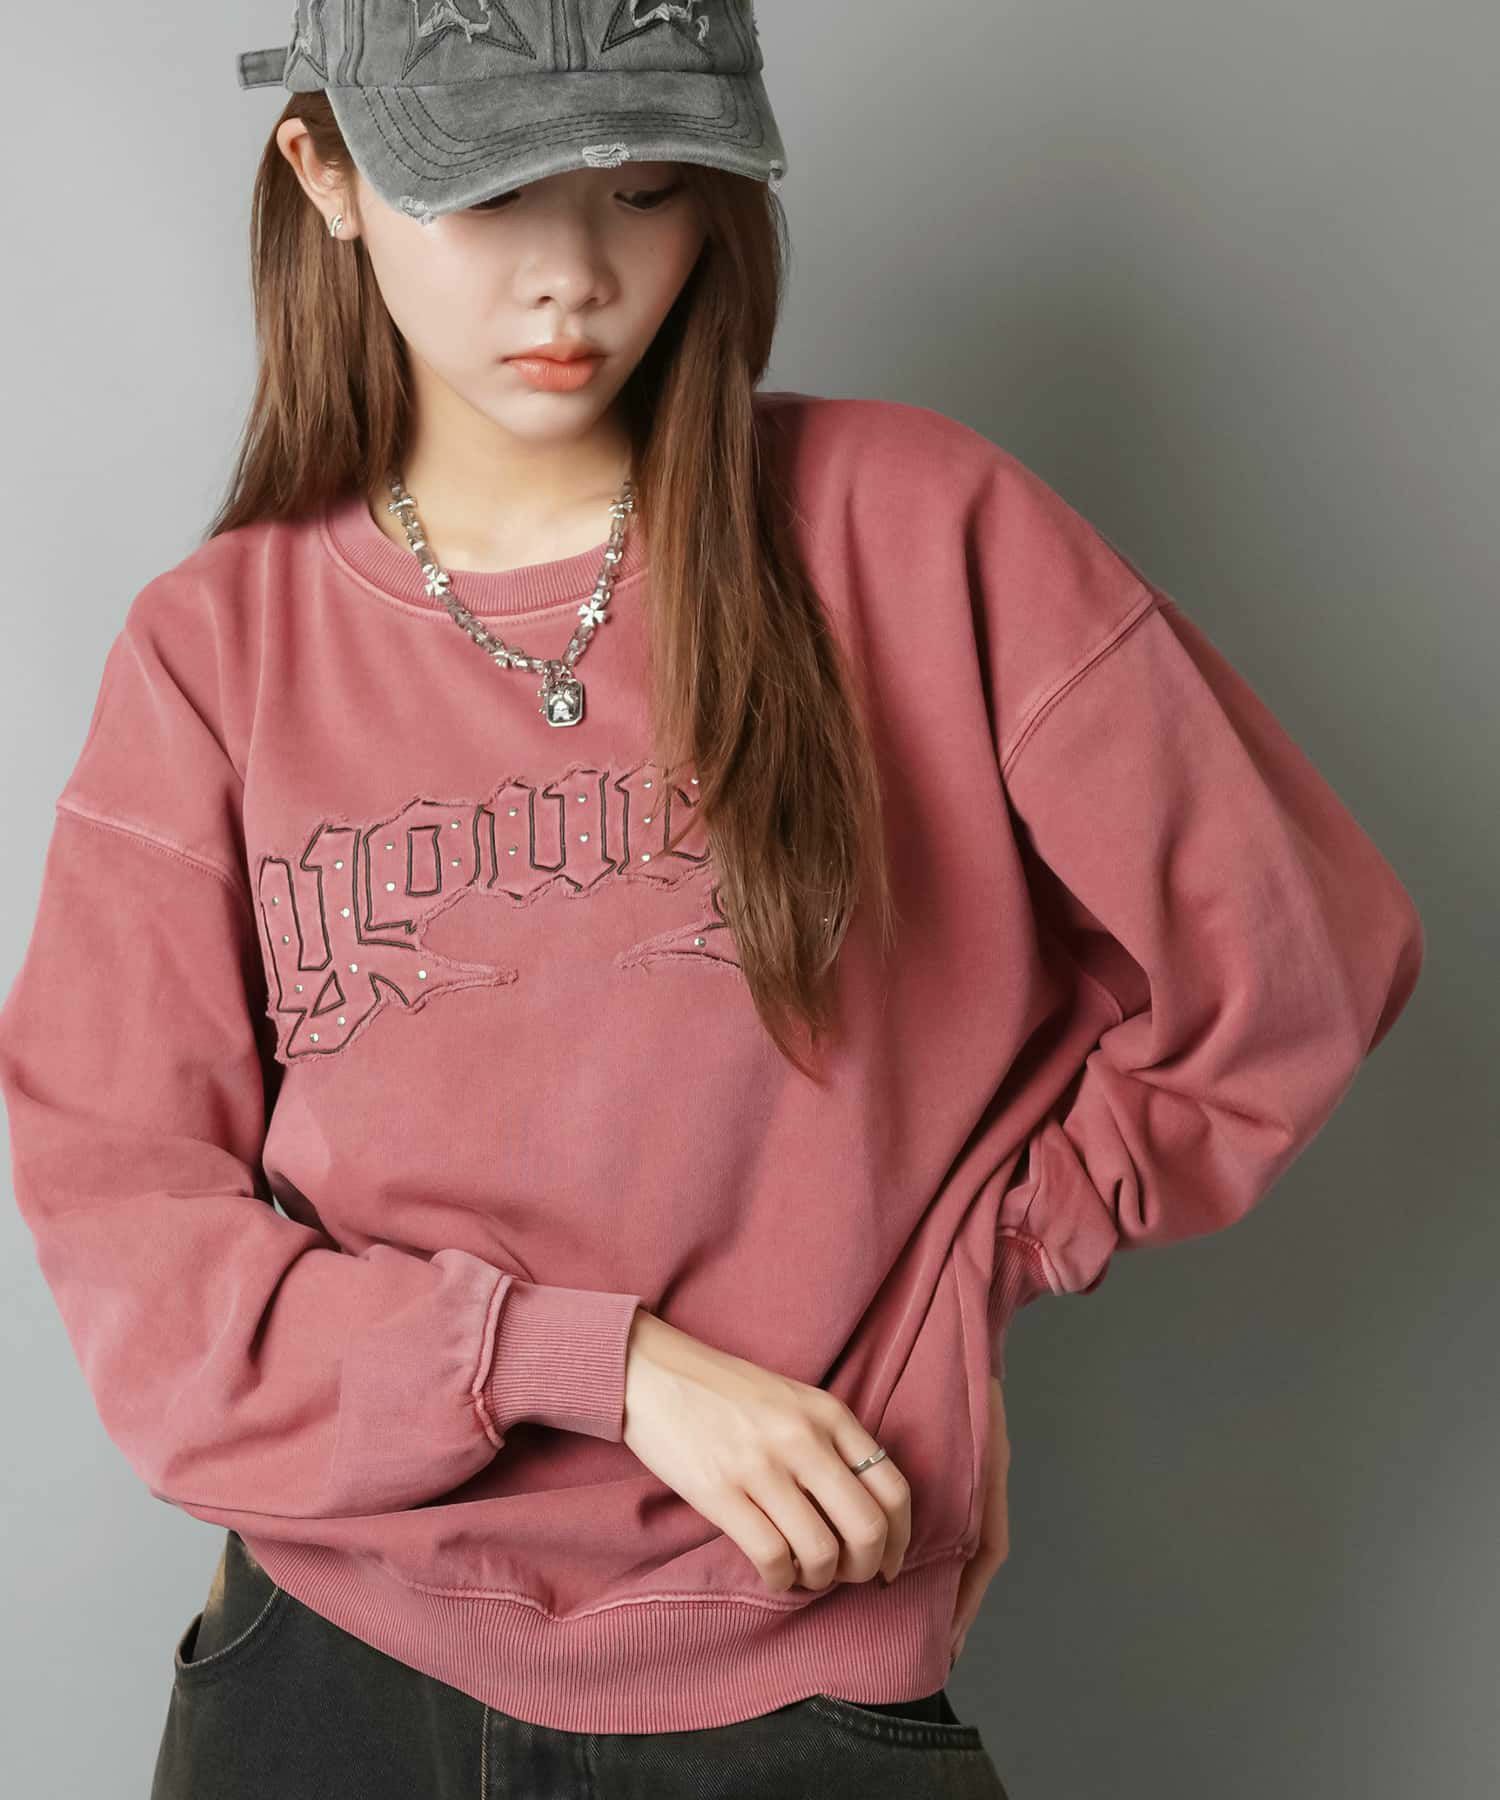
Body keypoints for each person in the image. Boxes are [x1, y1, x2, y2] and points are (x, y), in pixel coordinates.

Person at [0, 4, 1424, 1796]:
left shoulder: (920, 533)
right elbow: (140, 1250)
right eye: (490, 193)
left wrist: (970, 1290)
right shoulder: (217, 651)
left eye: (646, 189)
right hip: (335, 1664)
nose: (573, 279)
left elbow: (1290, 963)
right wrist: (604, 1368)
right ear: (327, 172)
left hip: (801, 1650)